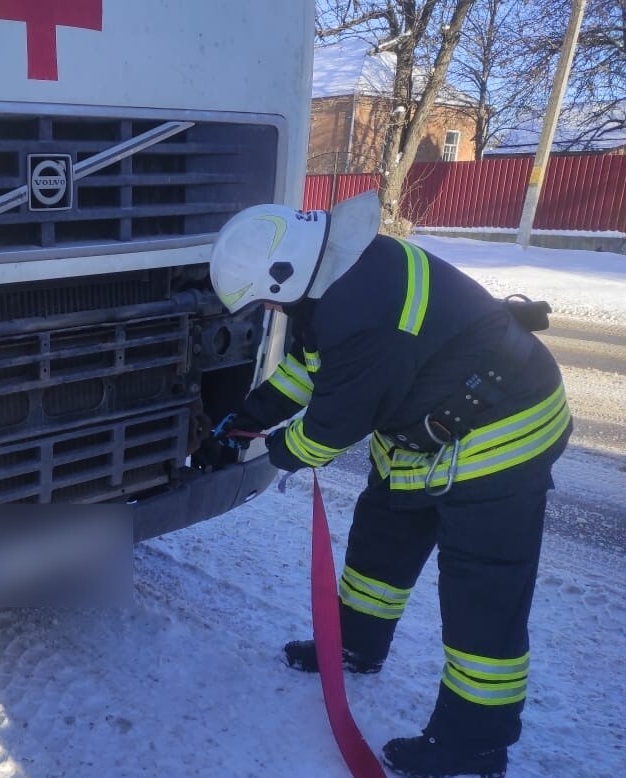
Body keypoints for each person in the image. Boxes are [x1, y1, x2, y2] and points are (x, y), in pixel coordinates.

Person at [206, 191, 571, 778]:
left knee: (482, 595)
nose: (271, 312)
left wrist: (270, 449)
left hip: (503, 435)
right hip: (426, 433)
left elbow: (330, 429)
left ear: (286, 272)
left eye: (269, 301)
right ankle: (356, 645)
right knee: (381, 542)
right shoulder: (339, 276)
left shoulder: (364, 313)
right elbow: (308, 365)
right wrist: (251, 413)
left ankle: (473, 746)